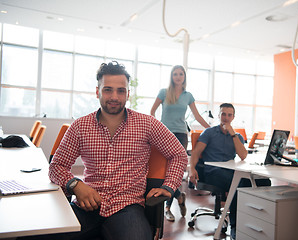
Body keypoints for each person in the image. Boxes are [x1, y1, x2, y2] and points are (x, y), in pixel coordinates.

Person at [28, 61, 188, 240]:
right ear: (98, 91)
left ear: (127, 93)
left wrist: (169, 186)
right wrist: (75, 185)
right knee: (33, 235)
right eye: (108, 89)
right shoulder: (80, 126)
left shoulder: (147, 124)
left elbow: (178, 154)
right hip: (87, 205)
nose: (114, 96)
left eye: (121, 91)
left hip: (127, 208)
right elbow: (56, 166)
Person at [189, 103, 271, 240]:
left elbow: (243, 155)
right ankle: (235, 227)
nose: (226, 118)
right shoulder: (209, 132)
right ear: (219, 115)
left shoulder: (237, 136)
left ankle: (256, 220)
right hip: (213, 173)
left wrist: (232, 133)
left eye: (229, 115)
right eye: (223, 114)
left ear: (233, 117)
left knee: (264, 181)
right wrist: (191, 169)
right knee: (239, 186)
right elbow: (196, 153)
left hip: (231, 172)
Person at [150, 65, 210, 222]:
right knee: (163, 170)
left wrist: (211, 129)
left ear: (184, 77)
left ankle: (168, 208)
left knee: (174, 170)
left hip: (181, 134)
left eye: (180, 74)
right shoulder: (164, 92)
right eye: (175, 74)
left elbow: (196, 116)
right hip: (164, 134)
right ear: (171, 76)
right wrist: (157, 128)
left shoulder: (188, 96)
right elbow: (152, 112)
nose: (178, 76)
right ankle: (178, 195)